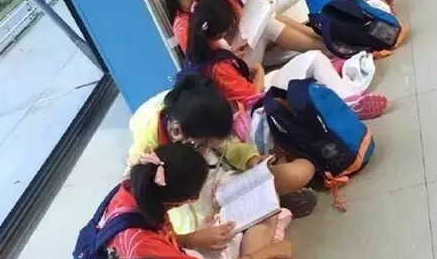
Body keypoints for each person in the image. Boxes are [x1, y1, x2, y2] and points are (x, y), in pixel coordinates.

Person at [103, 142, 301, 259]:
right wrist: (265, 254)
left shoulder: (135, 191)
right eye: (192, 197)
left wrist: (191, 238)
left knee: (263, 214)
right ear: (173, 199)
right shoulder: (141, 241)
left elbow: (163, 241)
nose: (196, 198)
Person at [126, 73, 318, 222]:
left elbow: (228, 146)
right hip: (195, 199)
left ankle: (265, 204)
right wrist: (192, 234)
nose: (205, 148)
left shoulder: (197, 115)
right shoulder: (147, 145)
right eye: (203, 145)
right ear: (176, 132)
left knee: (303, 169)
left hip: (222, 180)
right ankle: (267, 205)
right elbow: (151, 195)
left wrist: (252, 160)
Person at [185, 0, 387, 119]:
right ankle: (350, 101)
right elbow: (253, 97)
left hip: (250, 93)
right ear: (220, 32)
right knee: (314, 59)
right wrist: (259, 70)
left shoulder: (200, 53)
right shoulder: (219, 67)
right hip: (257, 108)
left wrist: (233, 58)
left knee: (312, 63)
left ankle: (348, 94)